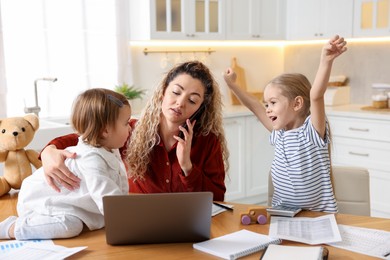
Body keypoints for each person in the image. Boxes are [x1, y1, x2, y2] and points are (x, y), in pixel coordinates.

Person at [38, 61, 229, 201]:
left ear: (200, 107)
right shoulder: (128, 131)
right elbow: (84, 136)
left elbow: (217, 197)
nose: (180, 103)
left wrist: (187, 166)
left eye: (193, 100)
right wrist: (48, 152)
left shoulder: (207, 141)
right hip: (139, 221)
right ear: (163, 92)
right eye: (176, 92)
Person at [223, 35, 348, 213]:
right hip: (283, 214)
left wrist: (325, 60)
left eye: (273, 103)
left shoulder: (311, 132)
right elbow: (253, 105)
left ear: (297, 104)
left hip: (319, 216)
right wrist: (232, 85)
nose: (267, 109)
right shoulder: (279, 133)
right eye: (267, 104)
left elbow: (316, 95)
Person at [0, 88, 131, 240]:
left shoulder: (109, 148)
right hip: (42, 201)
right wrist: (127, 221)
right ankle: (10, 228)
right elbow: (106, 197)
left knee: (79, 223)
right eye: (126, 123)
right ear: (105, 131)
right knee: (70, 226)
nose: (129, 127)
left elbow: (118, 187)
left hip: (68, 203)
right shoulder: (91, 159)